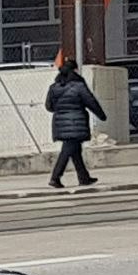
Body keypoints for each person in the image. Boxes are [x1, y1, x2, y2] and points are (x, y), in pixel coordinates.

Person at [45, 59, 105, 189]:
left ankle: (84, 177)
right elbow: (91, 102)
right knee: (67, 150)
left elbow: (49, 106)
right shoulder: (79, 86)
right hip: (76, 123)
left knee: (75, 150)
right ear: (75, 70)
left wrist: (61, 110)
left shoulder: (54, 87)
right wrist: (102, 116)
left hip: (60, 123)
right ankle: (55, 177)